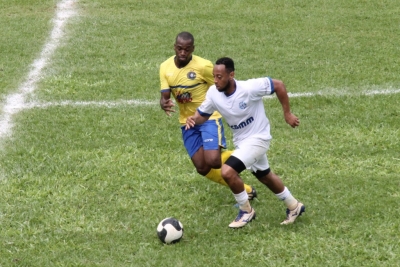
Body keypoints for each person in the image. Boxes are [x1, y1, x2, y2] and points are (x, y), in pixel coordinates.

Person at [185, 57, 305, 228]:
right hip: (242, 142)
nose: (216, 80)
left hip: (259, 138)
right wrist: (193, 120)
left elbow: (278, 85)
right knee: (265, 176)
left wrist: (287, 114)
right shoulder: (213, 93)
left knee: (227, 172)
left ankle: (246, 211)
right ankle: (294, 206)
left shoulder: (249, 88)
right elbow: (202, 115)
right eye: (214, 76)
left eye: (220, 77)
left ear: (231, 75)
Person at [159, 32, 256, 200]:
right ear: (174, 47)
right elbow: (165, 95)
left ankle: (250, 155)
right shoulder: (165, 67)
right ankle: (247, 191)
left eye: (187, 50)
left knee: (214, 161)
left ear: (193, 49)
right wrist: (163, 103)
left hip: (208, 117)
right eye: (180, 49)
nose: (183, 53)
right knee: (202, 167)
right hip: (187, 122)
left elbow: (224, 84)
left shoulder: (203, 66)